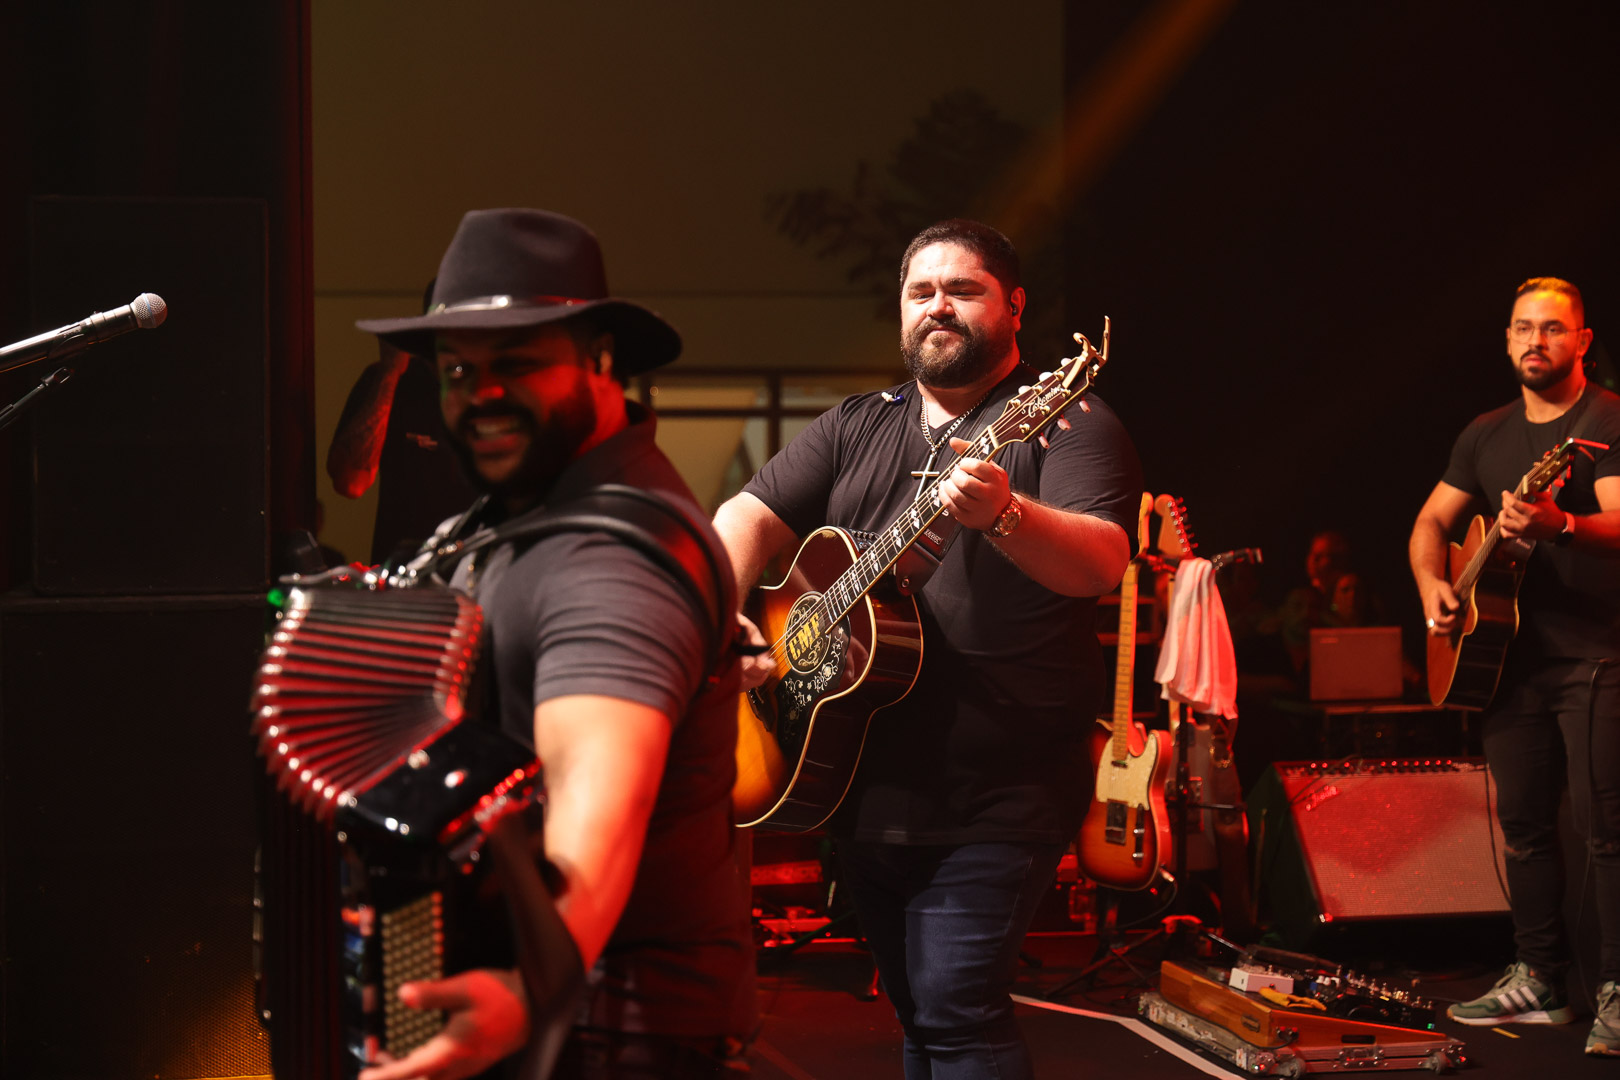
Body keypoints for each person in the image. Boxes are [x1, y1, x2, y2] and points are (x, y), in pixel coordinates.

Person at [714, 219, 1141, 1077]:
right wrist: (719, 618)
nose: (937, 306)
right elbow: (743, 518)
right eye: (921, 292)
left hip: (999, 785)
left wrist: (1006, 514)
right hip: (858, 774)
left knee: (955, 1006)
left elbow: (1102, 560)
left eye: (963, 289)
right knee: (917, 1011)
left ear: (1014, 306)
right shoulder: (857, 423)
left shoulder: (1069, 421)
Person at [353, 209, 755, 1078]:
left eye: (517, 363)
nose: (482, 393)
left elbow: (588, 799)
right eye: (458, 370)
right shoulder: (513, 518)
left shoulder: (610, 564)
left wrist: (528, 988)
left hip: (612, 1037)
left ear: (601, 360)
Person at [1409, 276, 1620, 1055]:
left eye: (1554, 328)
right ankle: (1540, 979)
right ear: (1507, 339)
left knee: (1607, 833)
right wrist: (1434, 586)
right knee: (1525, 830)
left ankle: (1617, 990)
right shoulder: (1485, 432)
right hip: (1505, 665)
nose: (1537, 340)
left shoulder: (1603, 422)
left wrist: (1562, 523)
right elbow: (1431, 523)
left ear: (1582, 341)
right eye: (1524, 327)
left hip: (1594, 657)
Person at [327, 281, 475, 565]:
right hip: (405, 573)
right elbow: (350, 483)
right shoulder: (396, 382)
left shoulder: (487, 390)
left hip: (475, 569)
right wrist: (389, 373)